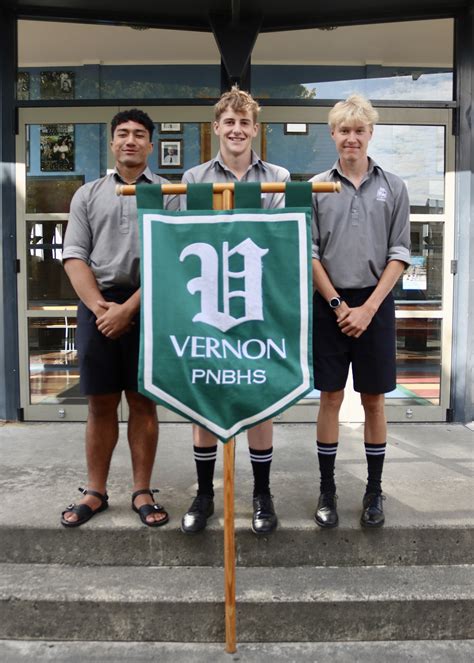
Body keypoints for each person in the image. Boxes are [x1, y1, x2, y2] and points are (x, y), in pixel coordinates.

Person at [61, 108, 178, 528]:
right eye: (123, 134)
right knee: (100, 404)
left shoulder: (171, 193)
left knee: (144, 402)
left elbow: (173, 258)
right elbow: (74, 256)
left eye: (139, 134)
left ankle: (142, 490)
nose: (130, 140)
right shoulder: (88, 194)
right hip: (99, 303)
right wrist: (100, 309)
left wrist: (131, 309)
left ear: (150, 145)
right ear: (112, 143)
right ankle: (95, 491)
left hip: (153, 303)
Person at [180, 86, 290, 535]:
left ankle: (261, 494)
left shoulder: (278, 176)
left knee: (258, 400)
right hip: (206, 305)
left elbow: (279, 240)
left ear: (255, 129)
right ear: (217, 128)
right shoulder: (192, 179)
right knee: (206, 401)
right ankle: (205, 494)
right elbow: (180, 240)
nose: (238, 129)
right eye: (230, 122)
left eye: (245, 123)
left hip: (258, 306)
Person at [310, 94, 410, 529]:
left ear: (371, 134)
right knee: (330, 397)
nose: (352, 138)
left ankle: (373, 490)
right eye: (344, 130)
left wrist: (369, 308)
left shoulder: (395, 186)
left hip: (376, 303)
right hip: (329, 303)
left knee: (374, 401)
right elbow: (308, 253)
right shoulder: (315, 186)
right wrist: (337, 304)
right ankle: (327, 490)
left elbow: (400, 252)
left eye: (359, 130)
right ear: (332, 134)